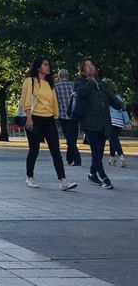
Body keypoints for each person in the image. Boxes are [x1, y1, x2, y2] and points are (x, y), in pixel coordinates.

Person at [19, 56, 77, 191]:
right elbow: (25, 99)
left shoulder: (49, 84)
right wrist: (28, 118)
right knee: (34, 149)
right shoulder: (30, 81)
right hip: (34, 118)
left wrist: (56, 117)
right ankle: (29, 177)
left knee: (56, 151)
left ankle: (63, 180)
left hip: (49, 119)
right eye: (45, 65)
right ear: (38, 67)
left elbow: (54, 102)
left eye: (48, 65)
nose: (48, 67)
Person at [73, 60, 123, 190]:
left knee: (99, 151)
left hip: (103, 123)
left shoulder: (101, 84)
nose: (91, 67)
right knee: (96, 150)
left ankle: (92, 173)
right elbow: (81, 92)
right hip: (89, 123)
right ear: (83, 70)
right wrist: (91, 82)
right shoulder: (80, 82)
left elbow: (111, 98)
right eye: (87, 66)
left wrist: (121, 105)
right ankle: (104, 177)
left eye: (92, 65)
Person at [55, 68, 81, 166]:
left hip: (63, 115)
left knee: (69, 138)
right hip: (75, 114)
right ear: (68, 76)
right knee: (73, 138)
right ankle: (70, 158)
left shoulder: (56, 87)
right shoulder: (74, 85)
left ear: (59, 77)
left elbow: (55, 102)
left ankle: (77, 159)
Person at [104, 80, 130, 168]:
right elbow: (123, 109)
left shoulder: (104, 96)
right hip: (119, 122)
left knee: (114, 139)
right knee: (113, 139)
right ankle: (112, 159)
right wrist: (127, 121)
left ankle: (121, 157)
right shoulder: (118, 97)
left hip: (110, 120)